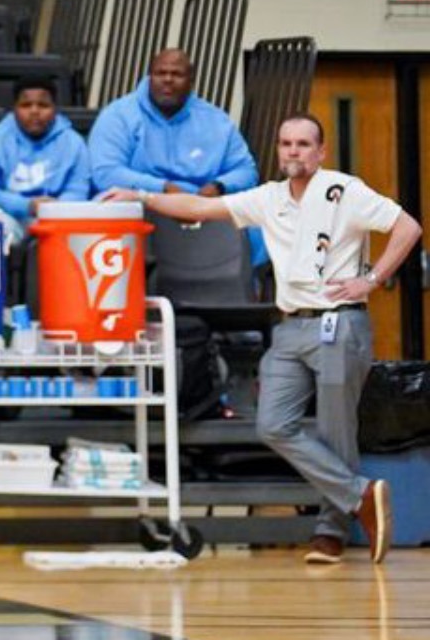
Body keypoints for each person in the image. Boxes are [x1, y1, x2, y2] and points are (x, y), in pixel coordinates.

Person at [105, 113, 420, 567]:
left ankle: (330, 533)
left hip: (339, 321)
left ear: (321, 151)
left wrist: (371, 279)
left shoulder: (344, 189)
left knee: (336, 434)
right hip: (290, 325)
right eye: (286, 144)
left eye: (303, 144)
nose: (294, 151)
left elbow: (408, 227)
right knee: (272, 423)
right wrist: (140, 196)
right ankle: (361, 495)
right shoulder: (268, 198)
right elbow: (197, 208)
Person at [89, 48, 258, 198]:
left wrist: (219, 186)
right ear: (149, 77)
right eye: (160, 73)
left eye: (177, 74)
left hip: (200, 208)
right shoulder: (118, 115)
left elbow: (246, 171)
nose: (168, 79)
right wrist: (162, 188)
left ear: (191, 81)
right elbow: (105, 173)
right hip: (136, 203)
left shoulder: (216, 120)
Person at [0, 77, 89, 238]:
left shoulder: (74, 142)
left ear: (55, 109)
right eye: (26, 105)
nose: (34, 111)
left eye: (43, 105)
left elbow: (78, 189)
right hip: (10, 217)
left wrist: (53, 209)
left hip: (60, 216)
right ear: (14, 109)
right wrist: (27, 205)